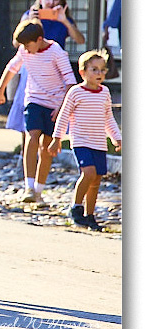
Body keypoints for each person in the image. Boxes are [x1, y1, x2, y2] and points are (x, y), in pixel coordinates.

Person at [5, 0, 84, 198]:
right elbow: (17, 44)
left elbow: (80, 39)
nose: (51, 2)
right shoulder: (30, 17)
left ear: (61, 1)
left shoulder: (62, 23)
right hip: (32, 74)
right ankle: (29, 183)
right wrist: (32, 19)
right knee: (30, 132)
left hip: (56, 79)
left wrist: (64, 20)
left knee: (45, 141)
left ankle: (36, 186)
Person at [0, 19, 77, 205]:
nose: (25, 49)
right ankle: (28, 187)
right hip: (34, 100)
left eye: (28, 45)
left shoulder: (56, 52)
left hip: (54, 104)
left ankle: (38, 190)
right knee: (32, 136)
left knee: (46, 147)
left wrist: (62, 108)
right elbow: (11, 68)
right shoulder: (24, 50)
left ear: (39, 39)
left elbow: (70, 82)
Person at [51, 50, 121, 232]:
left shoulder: (104, 92)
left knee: (97, 178)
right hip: (81, 141)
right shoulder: (75, 92)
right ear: (83, 72)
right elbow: (63, 116)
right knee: (88, 173)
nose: (99, 74)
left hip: (99, 142)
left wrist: (117, 137)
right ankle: (75, 207)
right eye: (94, 70)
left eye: (102, 70)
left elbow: (108, 118)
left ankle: (90, 216)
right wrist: (57, 138)